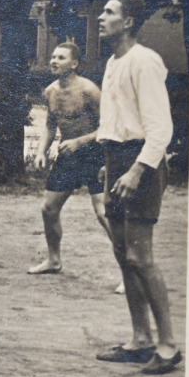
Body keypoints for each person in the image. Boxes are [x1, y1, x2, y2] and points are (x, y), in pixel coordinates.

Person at [92, 0, 180, 374]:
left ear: (128, 22)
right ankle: (140, 339)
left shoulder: (145, 61)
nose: (101, 17)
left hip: (141, 163)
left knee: (141, 258)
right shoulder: (113, 62)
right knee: (122, 254)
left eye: (109, 12)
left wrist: (136, 170)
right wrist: (110, 165)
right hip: (117, 161)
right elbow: (116, 119)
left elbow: (160, 128)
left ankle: (168, 346)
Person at [28, 42, 119, 289]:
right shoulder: (50, 91)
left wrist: (79, 141)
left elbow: (108, 126)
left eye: (61, 57)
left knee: (103, 213)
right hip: (68, 154)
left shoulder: (89, 90)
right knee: (49, 209)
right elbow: (50, 127)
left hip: (94, 153)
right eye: (53, 56)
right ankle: (53, 260)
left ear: (75, 63)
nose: (54, 61)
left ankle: (128, 273)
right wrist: (41, 152)